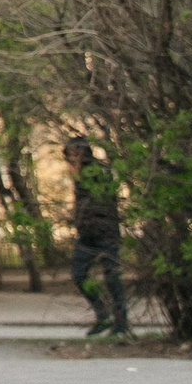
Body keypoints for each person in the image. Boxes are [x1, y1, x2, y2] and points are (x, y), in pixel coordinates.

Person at [63, 137, 132, 338]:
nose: (71, 159)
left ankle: (121, 321)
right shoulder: (79, 174)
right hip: (87, 235)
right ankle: (103, 313)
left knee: (112, 277)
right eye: (69, 155)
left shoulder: (97, 172)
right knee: (79, 274)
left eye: (74, 154)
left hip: (105, 233)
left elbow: (100, 202)